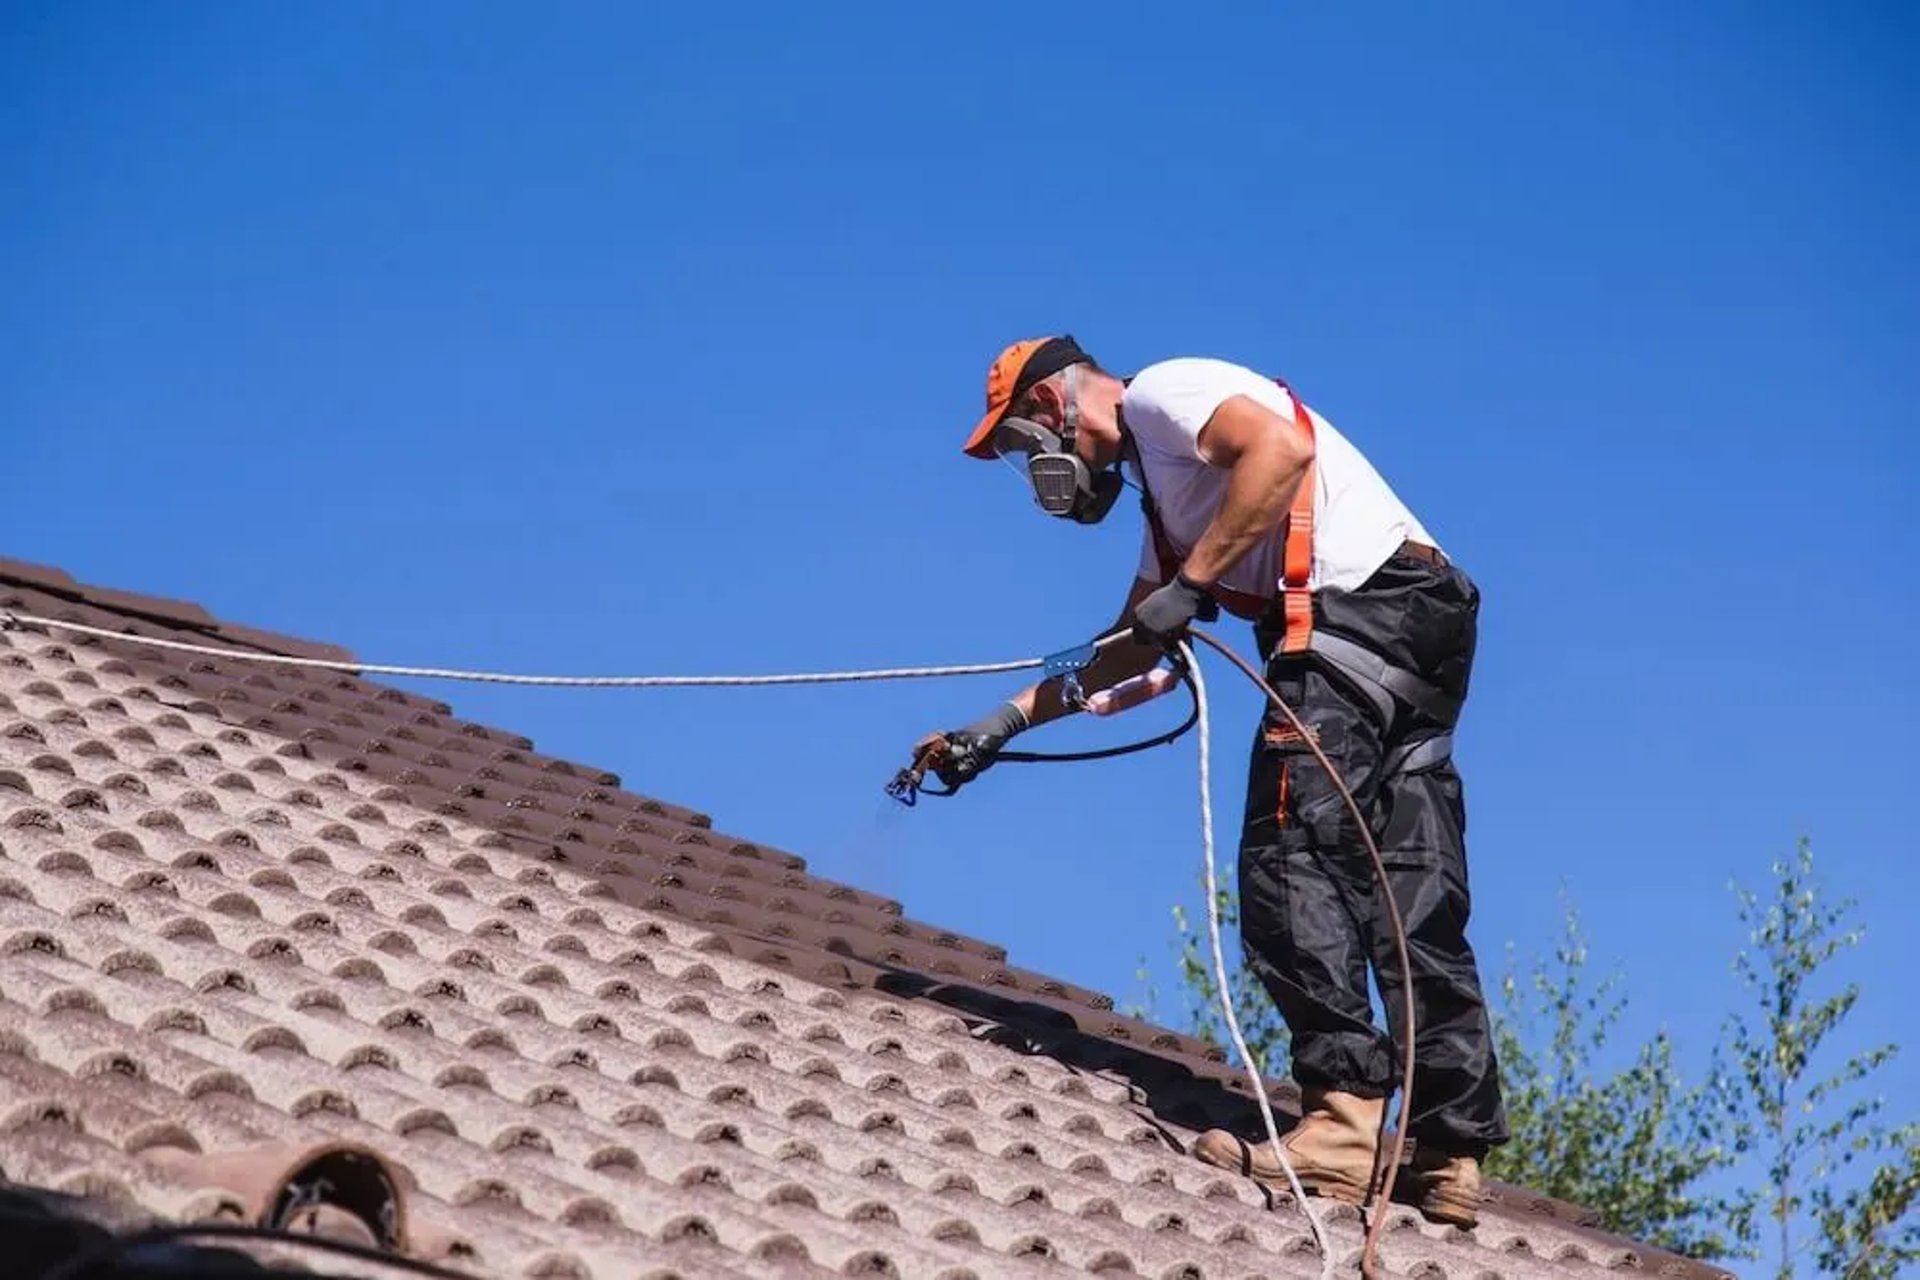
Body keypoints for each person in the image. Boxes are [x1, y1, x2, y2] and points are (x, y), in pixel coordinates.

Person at [918, 334, 1508, 1228]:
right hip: (1422, 624)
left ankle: (1343, 1128)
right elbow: (1133, 649)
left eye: (1014, 446)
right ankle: (1447, 1151)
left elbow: (1282, 450)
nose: (1028, 467)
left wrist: (1194, 583)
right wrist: (995, 726)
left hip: (1351, 618)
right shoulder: (1171, 508)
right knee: (1409, 885)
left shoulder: (1166, 394)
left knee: (1289, 851)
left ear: (1049, 408)